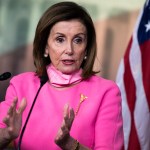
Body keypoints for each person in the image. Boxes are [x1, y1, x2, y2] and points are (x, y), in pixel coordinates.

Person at [0, 1, 124, 150]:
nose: (69, 49)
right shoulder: (20, 85)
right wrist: (6, 135)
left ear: (86, 49)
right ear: (45, 46)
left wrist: (71, 145)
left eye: (78, 40)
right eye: (60, 39)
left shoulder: (107, 92)